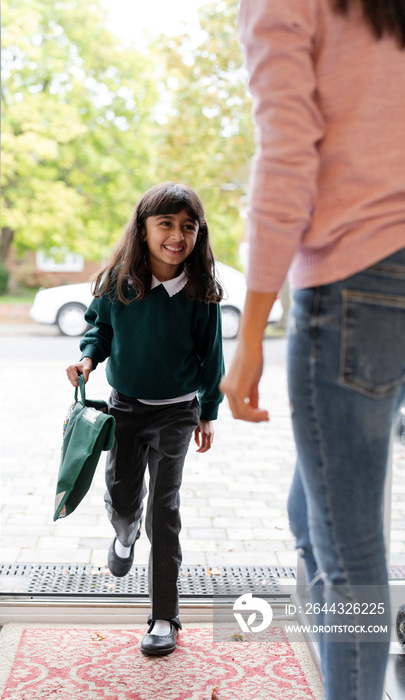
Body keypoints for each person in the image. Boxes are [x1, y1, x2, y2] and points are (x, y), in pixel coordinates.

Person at [220, 0, 405, 698]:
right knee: (314, 511)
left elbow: (288, 159)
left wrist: (251, 331)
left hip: (357, 281)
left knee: (348, 555)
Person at [66, 182, 225, 656]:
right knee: (121, 493)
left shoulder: (201, 293)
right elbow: (100, 330)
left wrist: (209, 412)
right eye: (166, 224)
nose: (177, 236)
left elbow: (211, 358)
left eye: (188, 227)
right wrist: (88, 361)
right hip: (126, 409)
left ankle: (163, 617)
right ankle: (124, 531)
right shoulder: (119, 282)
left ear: (199, 235)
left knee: (166, 512)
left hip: (178, 413)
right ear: (143, 228)